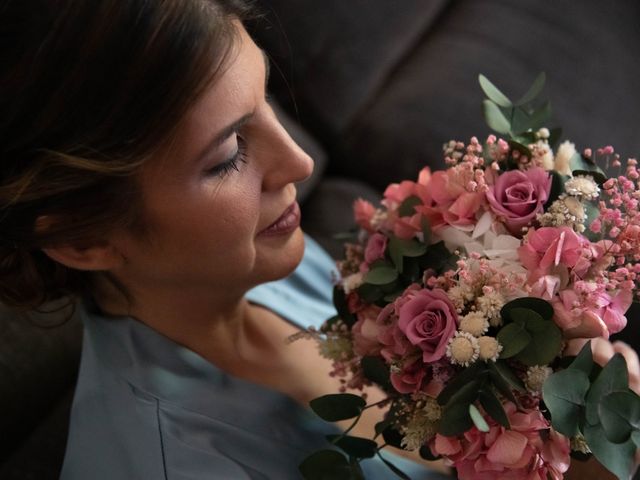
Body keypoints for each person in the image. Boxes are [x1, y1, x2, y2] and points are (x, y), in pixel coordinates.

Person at [0, 1, 637, 479]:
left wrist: (582, 433)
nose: (300, 164)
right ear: (84, 242)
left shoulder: (268, 267)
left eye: (264, 103)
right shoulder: (177, 464)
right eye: (228, 156)